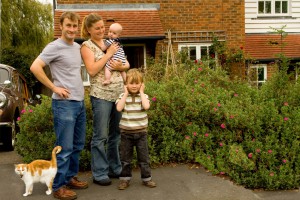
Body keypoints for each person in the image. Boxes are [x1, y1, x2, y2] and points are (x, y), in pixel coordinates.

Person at [30, 11, 88, 200]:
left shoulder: (77, 47)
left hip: (79, 103)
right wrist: (54, 87)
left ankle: (70, 177)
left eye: (74, 26)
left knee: (77, 145)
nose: (72, 29)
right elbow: (35, 67)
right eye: (68, 25)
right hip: (64, 105)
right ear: (61, 26)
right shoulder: (54, 47)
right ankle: (58, 186)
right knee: (64, 148)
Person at [80, 13, 129, 186]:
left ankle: (114, 168)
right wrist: (109, 55)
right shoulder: (86, 46)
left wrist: (120, 66)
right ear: (88, 30)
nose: (101, 30)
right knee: (100, 136)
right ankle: (99, 172)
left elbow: (126, 64)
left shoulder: (113, 43)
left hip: (119, 95)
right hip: (101, 95)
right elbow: (92, 71)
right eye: (97, 28)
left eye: (102, 27)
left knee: (115, 134)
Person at [116, 68, 156, 190]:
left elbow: (146, 106)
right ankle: (125, 179)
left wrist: (142, 92)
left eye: (137, 83)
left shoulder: (144, 96)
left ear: (141, 84)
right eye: (131, 83)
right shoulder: (123, 96)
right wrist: (126, 94)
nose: (134, 86)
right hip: (126, 133)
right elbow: (119, 108)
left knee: (144, 158)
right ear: (126, 84)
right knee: (125, 159)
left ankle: (146, 179)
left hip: (141, 133)